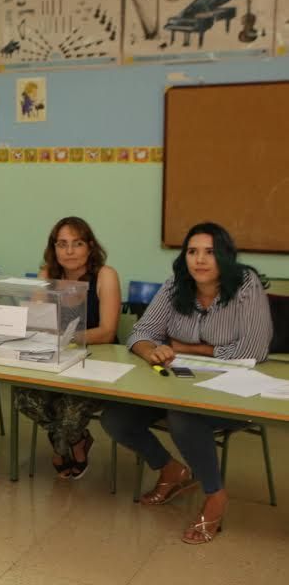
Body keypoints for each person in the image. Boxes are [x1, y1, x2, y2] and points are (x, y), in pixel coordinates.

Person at [101, 222, 272, 545]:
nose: (200, 260)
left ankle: (215, 494)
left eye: (210, 252)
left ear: (225, 256)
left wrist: (187, 348)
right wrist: (152, 350)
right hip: (176, 385)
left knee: (183, 417)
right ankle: (170, 469)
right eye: (193, 251)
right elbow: (140, 333)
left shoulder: (246, 285)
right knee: (116, 418)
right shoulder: (175, 285)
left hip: (234, 392)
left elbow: (253, 349)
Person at [13, 217, 121, 479]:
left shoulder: (105, 275)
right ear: (54, 248)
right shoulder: (47, 275)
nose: (69, 251)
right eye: (62, 244)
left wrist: (67, 339)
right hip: (56, 362)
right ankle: (77, 440)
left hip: (96, 364)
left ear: (90, 246)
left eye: (77, 243)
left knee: (70, 409)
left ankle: (62, 447)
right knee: (24, 398)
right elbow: (37, 322)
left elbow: (107, 332)